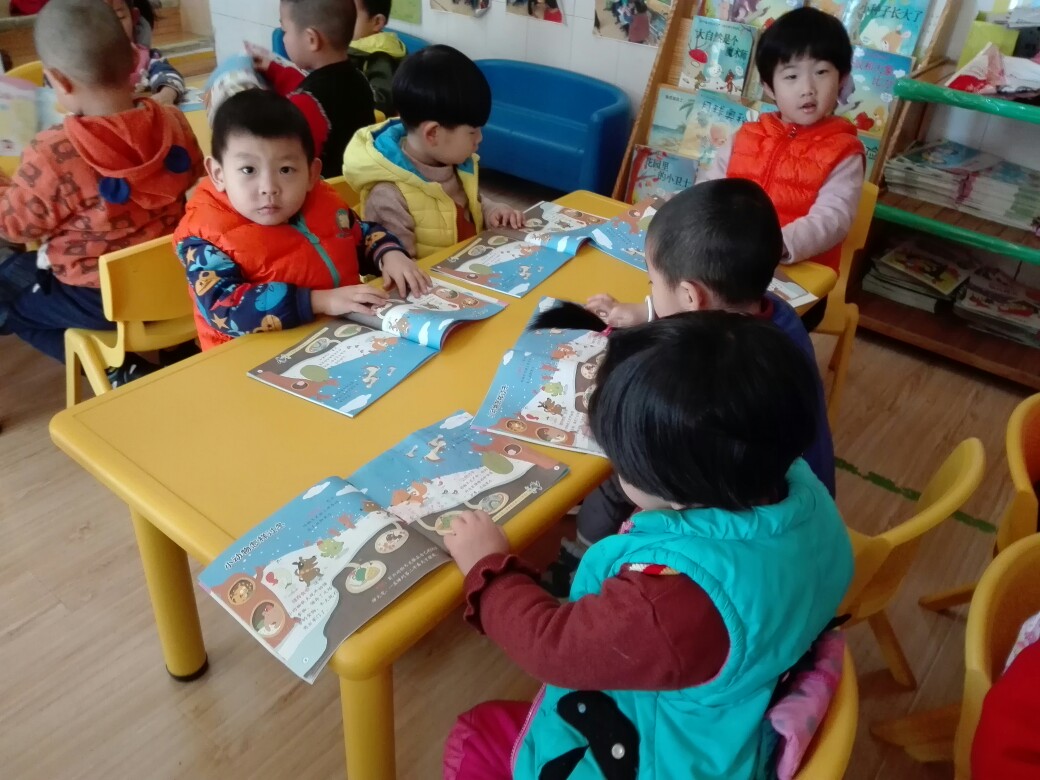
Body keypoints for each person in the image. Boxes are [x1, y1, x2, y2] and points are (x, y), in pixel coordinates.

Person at [440, 310, 854, 780]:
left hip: (660, 759)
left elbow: (551, 647)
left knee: (474, 736)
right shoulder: (799, 488)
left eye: (621, 462)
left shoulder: (667, 602)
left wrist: (490, 568)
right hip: (728, 716)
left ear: (678, 492)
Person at [543, 180, 837, 596]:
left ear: (690, 296)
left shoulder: (714, 373)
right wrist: (647, 312)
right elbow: (699, 322)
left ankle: (580, 568)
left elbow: (667, 418)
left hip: (747, 523)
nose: (651, 292)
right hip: (802, 509)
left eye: (652, 284)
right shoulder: (772, 319)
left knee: (617, 477)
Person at [0, 0, 204, 382]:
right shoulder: (174, 121)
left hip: (100, 301)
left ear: (59, 82)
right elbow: (193, 172)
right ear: (134, 59)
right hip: (175, 282)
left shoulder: (51, 154)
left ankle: (114, 367)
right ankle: (178, 348)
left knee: (7, 291)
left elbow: (14, 227)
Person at [173, 89, 428, 351]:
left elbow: (361, 235)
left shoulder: (324, 204)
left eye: (285, 170)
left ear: (311, 174)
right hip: (249, 358)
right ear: (218, 174)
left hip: (337, 337)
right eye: (248, 170)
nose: (269, 187)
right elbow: (225, 307)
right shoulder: (205, 239)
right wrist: (321, 301)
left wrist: (389, 254)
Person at [697, 6, 864, 331]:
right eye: (791, 76)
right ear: (769, 87)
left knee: (736, 330)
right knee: (685, 302)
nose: (808, 88)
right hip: (730, 266)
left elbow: (832, 219)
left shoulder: (844, 151)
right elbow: (710, 189)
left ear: (842, 78)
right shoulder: (746, 136)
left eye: (821, 72)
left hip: (798, 280)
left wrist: (775, 246)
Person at [343, 45, 524, 259]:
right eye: (472, 131)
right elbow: (399, 270)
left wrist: (492, 210)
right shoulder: (388, 196)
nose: (480, 138)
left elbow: (470, 203)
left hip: (468, 264)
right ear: (433, 133)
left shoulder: (453, 163)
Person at [251, 0, 377, 176]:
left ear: (311, 39)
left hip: (320, 190)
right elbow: (315, 92)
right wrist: (275, 71)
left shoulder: (305, 104)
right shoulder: (360, 80)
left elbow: (280, 160)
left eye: (285, 31)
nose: (284, 38)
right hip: (356, 187)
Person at [103, 0, 185, 105]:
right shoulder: (84, 67)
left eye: (119, 17)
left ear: (134, 17)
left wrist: (167, 94)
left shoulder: (147, 58)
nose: (110, 28)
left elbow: (169, 75)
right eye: (97, 21)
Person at [349, 0, 407, 117]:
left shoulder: (380, 55)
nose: (341, 20)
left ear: (377, 22)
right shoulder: (355, 43)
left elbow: (382, 103)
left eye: (350, 15)